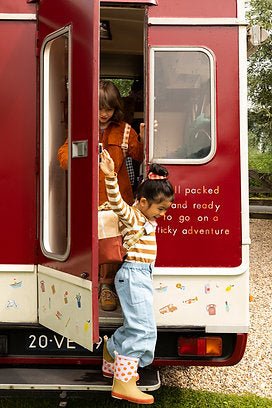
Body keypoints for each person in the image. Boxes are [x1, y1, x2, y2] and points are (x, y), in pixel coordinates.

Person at [57, 80, 145, 312]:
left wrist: (145, 137)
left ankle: (106, 287)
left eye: (109, 109)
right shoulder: (81, 127)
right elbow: (63, 158)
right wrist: (83, 156)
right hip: (88, 196)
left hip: (117, 197)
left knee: (112, 245)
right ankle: (89, 282)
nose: (104, 114)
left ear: (116, 108)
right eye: (100, 108)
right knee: (90, 241)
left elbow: (140, 156)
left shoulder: (125, 130)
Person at [99, 149, 174, 405]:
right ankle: (124, 383)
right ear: (143, 202)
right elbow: (118, 203)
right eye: (160, 208)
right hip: (132, 275)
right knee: (141, 329)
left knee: (141, 327)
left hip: (139, 276)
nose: (163, 214)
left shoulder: (146, 220)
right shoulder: (133, 217)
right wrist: (110, 176)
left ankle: (111, 354)